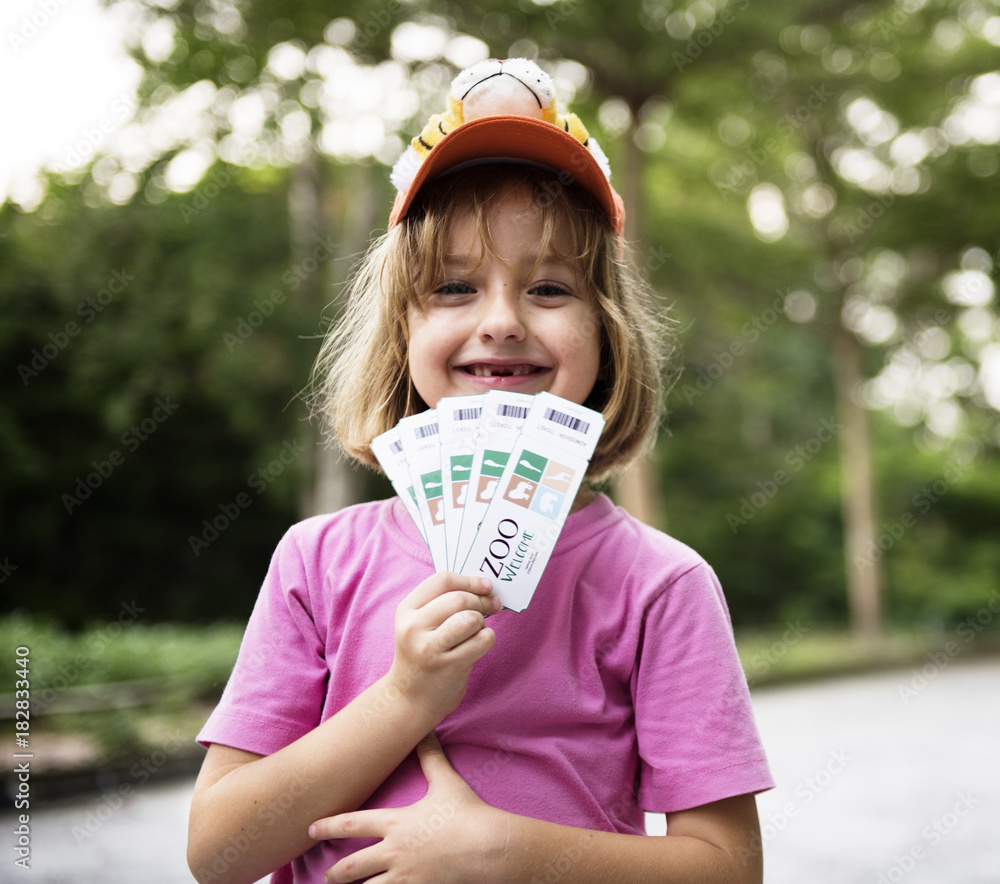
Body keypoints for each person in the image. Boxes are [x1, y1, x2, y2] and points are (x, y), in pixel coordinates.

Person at [187, 58, 774, 884]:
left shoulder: (660, 585)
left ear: (607, 335)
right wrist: (404, 698)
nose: (500, 320)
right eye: (455, 287)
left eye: (547, 287)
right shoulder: (317, 564)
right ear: (400, 335)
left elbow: (727, 870)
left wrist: (507, 853)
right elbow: (218, 854)